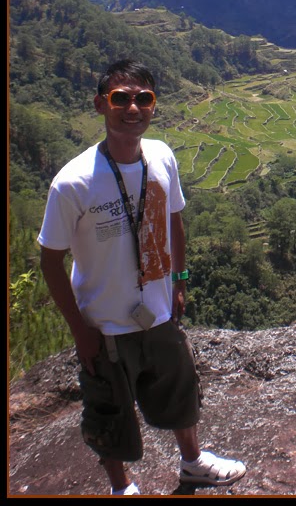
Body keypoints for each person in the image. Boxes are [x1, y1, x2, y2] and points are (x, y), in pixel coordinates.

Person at [38, 59, 246, 495]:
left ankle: (192, 462)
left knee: (179, 389)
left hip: (157, 311)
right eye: (120, 98)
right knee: (108, 410)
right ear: (101, 105)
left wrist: (180, 280)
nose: (132, 107)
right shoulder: (72, 183)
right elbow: (50, 261)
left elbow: (175, 221)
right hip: (105, 322)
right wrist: (80, 331)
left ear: (153, 106)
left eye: (143, 98)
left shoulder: (162, 156)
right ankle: (122, 488)